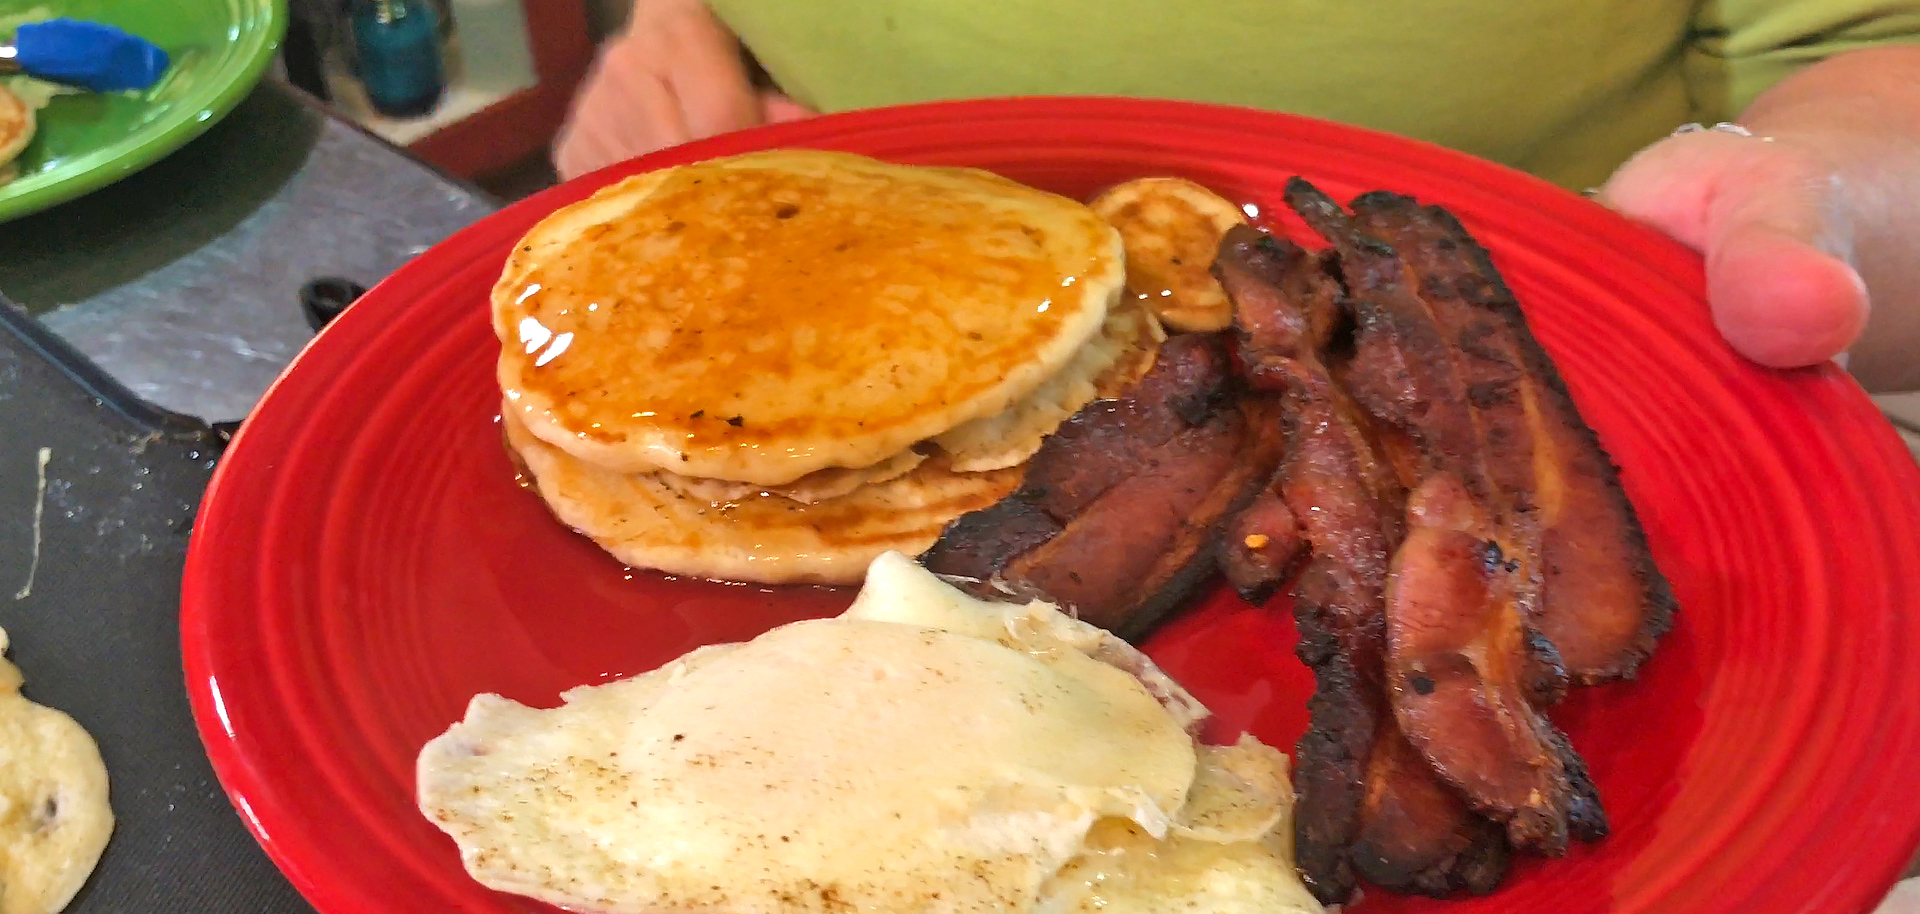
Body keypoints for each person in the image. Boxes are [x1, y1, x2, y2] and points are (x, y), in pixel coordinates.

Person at [552, 0, 1920, 394]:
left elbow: (1870, 59)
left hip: (1544, 401)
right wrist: (670, 32)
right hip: (784, 331)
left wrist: (1825, 200)